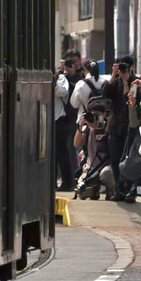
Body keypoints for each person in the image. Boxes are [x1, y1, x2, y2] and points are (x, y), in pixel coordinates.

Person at [104, 55, 134, 200]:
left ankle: (129, 190)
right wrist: (113, 76)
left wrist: (126, 82)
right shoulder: (114, 82)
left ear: (131, 68)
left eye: (125, 67)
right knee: (115, 160)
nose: (123, 70)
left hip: (130, 127)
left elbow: (130, 99)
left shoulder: (136, 82)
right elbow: (105, 94)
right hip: (115, 127)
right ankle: (118, 189)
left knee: (130, 161)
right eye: (120, 67)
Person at [54, 52, 80, 191]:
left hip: (60, 119)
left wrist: (55, 79)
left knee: (62, 152)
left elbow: (62, 91)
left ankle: (67, 182)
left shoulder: (62, 78)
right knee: (52, 154)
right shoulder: (56, 77)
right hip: (49, 118)